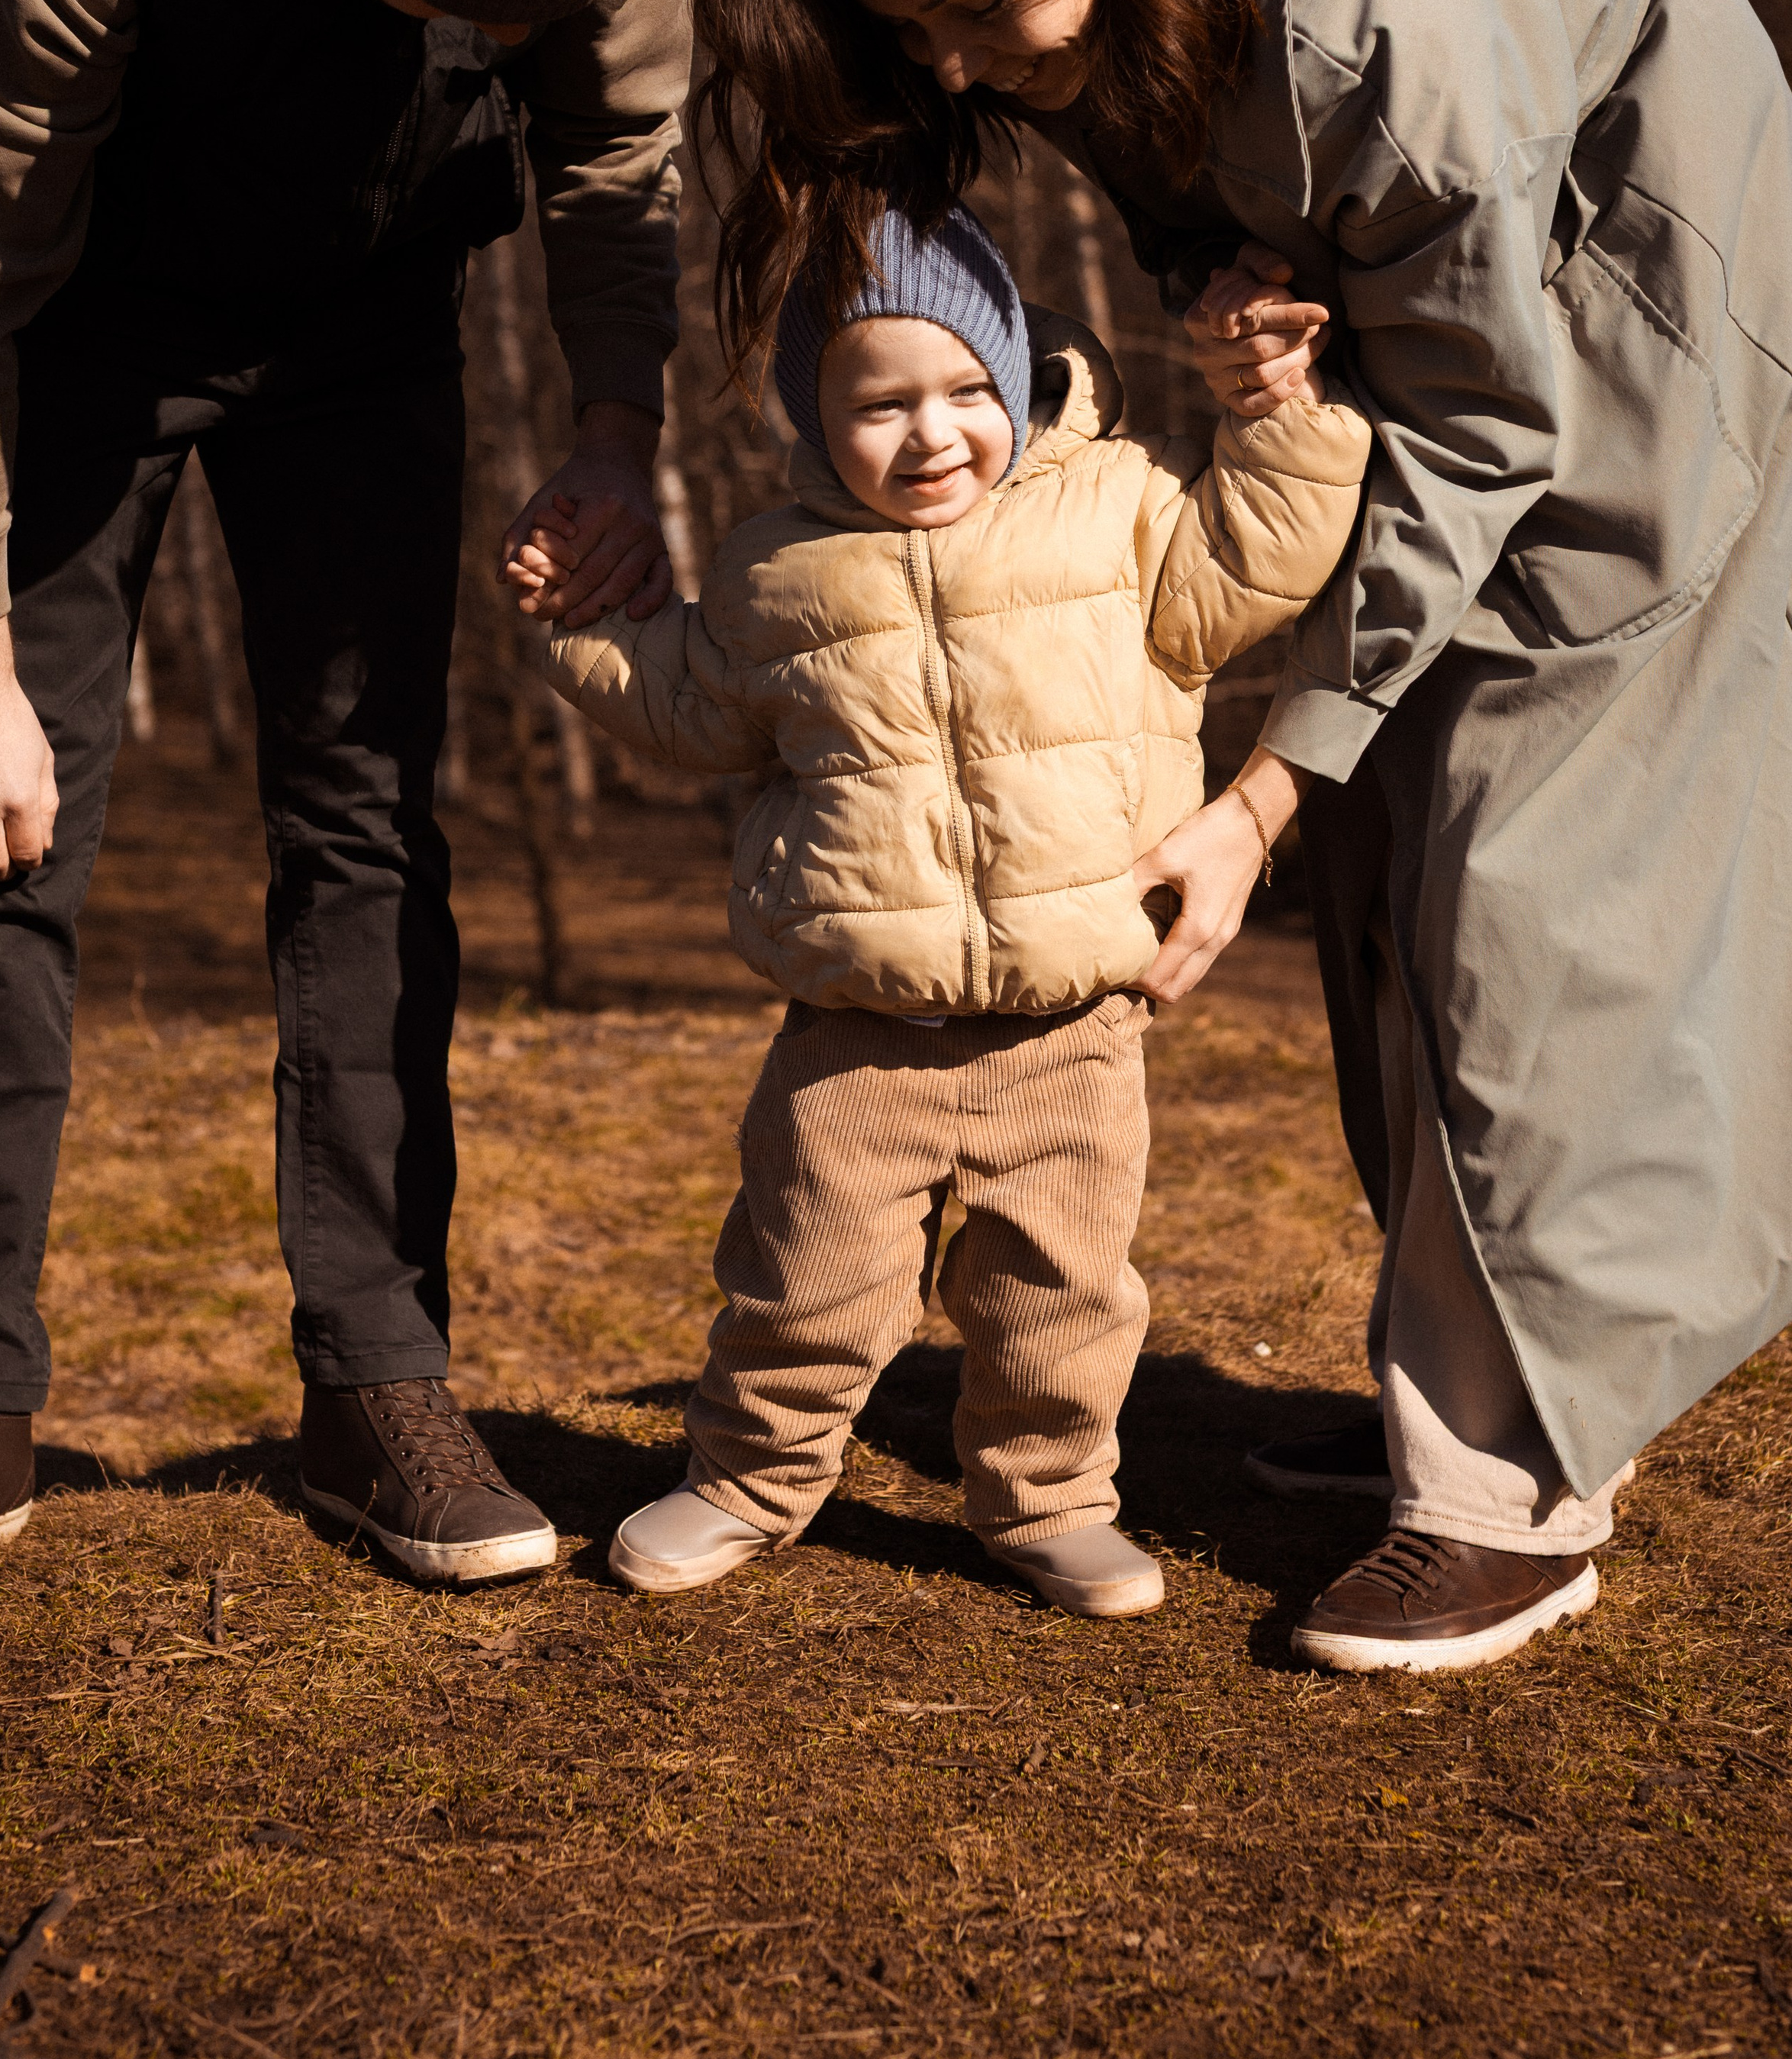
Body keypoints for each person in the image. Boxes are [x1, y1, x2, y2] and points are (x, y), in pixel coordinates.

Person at [685, 0, 1792, 1675]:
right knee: (1387, 874)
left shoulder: (1391, 33)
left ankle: (1513, 1502)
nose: (954, 62)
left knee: (1522, 891)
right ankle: (1443, 1399)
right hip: (1470, 332)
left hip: (1647, 328)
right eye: (905, 21)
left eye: (979, 0)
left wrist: (1260, 790)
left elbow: (1483, 439)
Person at [0, 0, 700, 1594]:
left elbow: (621, 153)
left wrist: (617, 432)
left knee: (369, 819)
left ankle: (378, 1384)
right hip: (77, 318)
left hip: (368, 311)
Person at [507, 202, 1368, 1613]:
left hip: (1071, 1023)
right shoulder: (775, 570)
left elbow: (1262, 554)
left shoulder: (1122, 508)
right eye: (881, 404)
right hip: (860, 1028)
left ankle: (1046, 1501)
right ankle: (747, 1477)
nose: (933, 434)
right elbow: (692, 709)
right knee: (805, 1277)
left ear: (1017, 380)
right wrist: (576, 623)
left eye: (968, 390)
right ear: (812, 416)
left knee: (1064, 1290)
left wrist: (1280, 412)